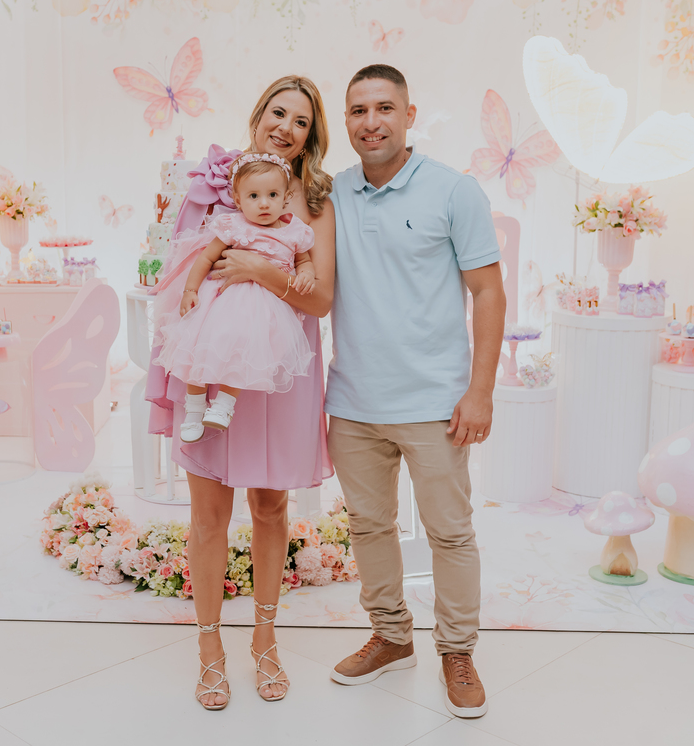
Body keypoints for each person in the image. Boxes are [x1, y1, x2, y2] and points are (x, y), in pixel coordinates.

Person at [144, 76, 336, 710]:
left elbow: (323, 297)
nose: (286, 126)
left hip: (282, 375)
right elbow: (179, 278)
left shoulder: (314, 202)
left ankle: (264, 639)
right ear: (257, 116)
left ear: (312, 135)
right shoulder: (212, 188)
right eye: (278, 112)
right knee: (207, 516)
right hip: (214, 365)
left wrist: (261, 269)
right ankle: (208, 649)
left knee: (271, 509)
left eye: (301, 121)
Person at [325, 64, 506, 719]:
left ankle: (457, 651)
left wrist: (479, 392)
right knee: (368, 526)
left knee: (449, 534)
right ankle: (391, 636)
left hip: (435, 404)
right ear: (344, 121)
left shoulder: (453, 191)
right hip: (352, 402)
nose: (370, 121)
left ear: (408, 114)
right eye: (357, 111)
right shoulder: (331, 195)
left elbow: (488, 292)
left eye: (383, 108)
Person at [153, 153, 317, 443]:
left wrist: (305, 273)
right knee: (199, 346)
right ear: (239, 200)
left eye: (272, 195)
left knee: (247, 354)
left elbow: (303, 261)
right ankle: (194, 409)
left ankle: (224, 405)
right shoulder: (234, 225)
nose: (264, 203)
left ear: (286, 198)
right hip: (222, 299)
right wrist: (190, 290)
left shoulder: (294, 232)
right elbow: (205, 258)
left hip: (265, 308)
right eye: (254, 196)